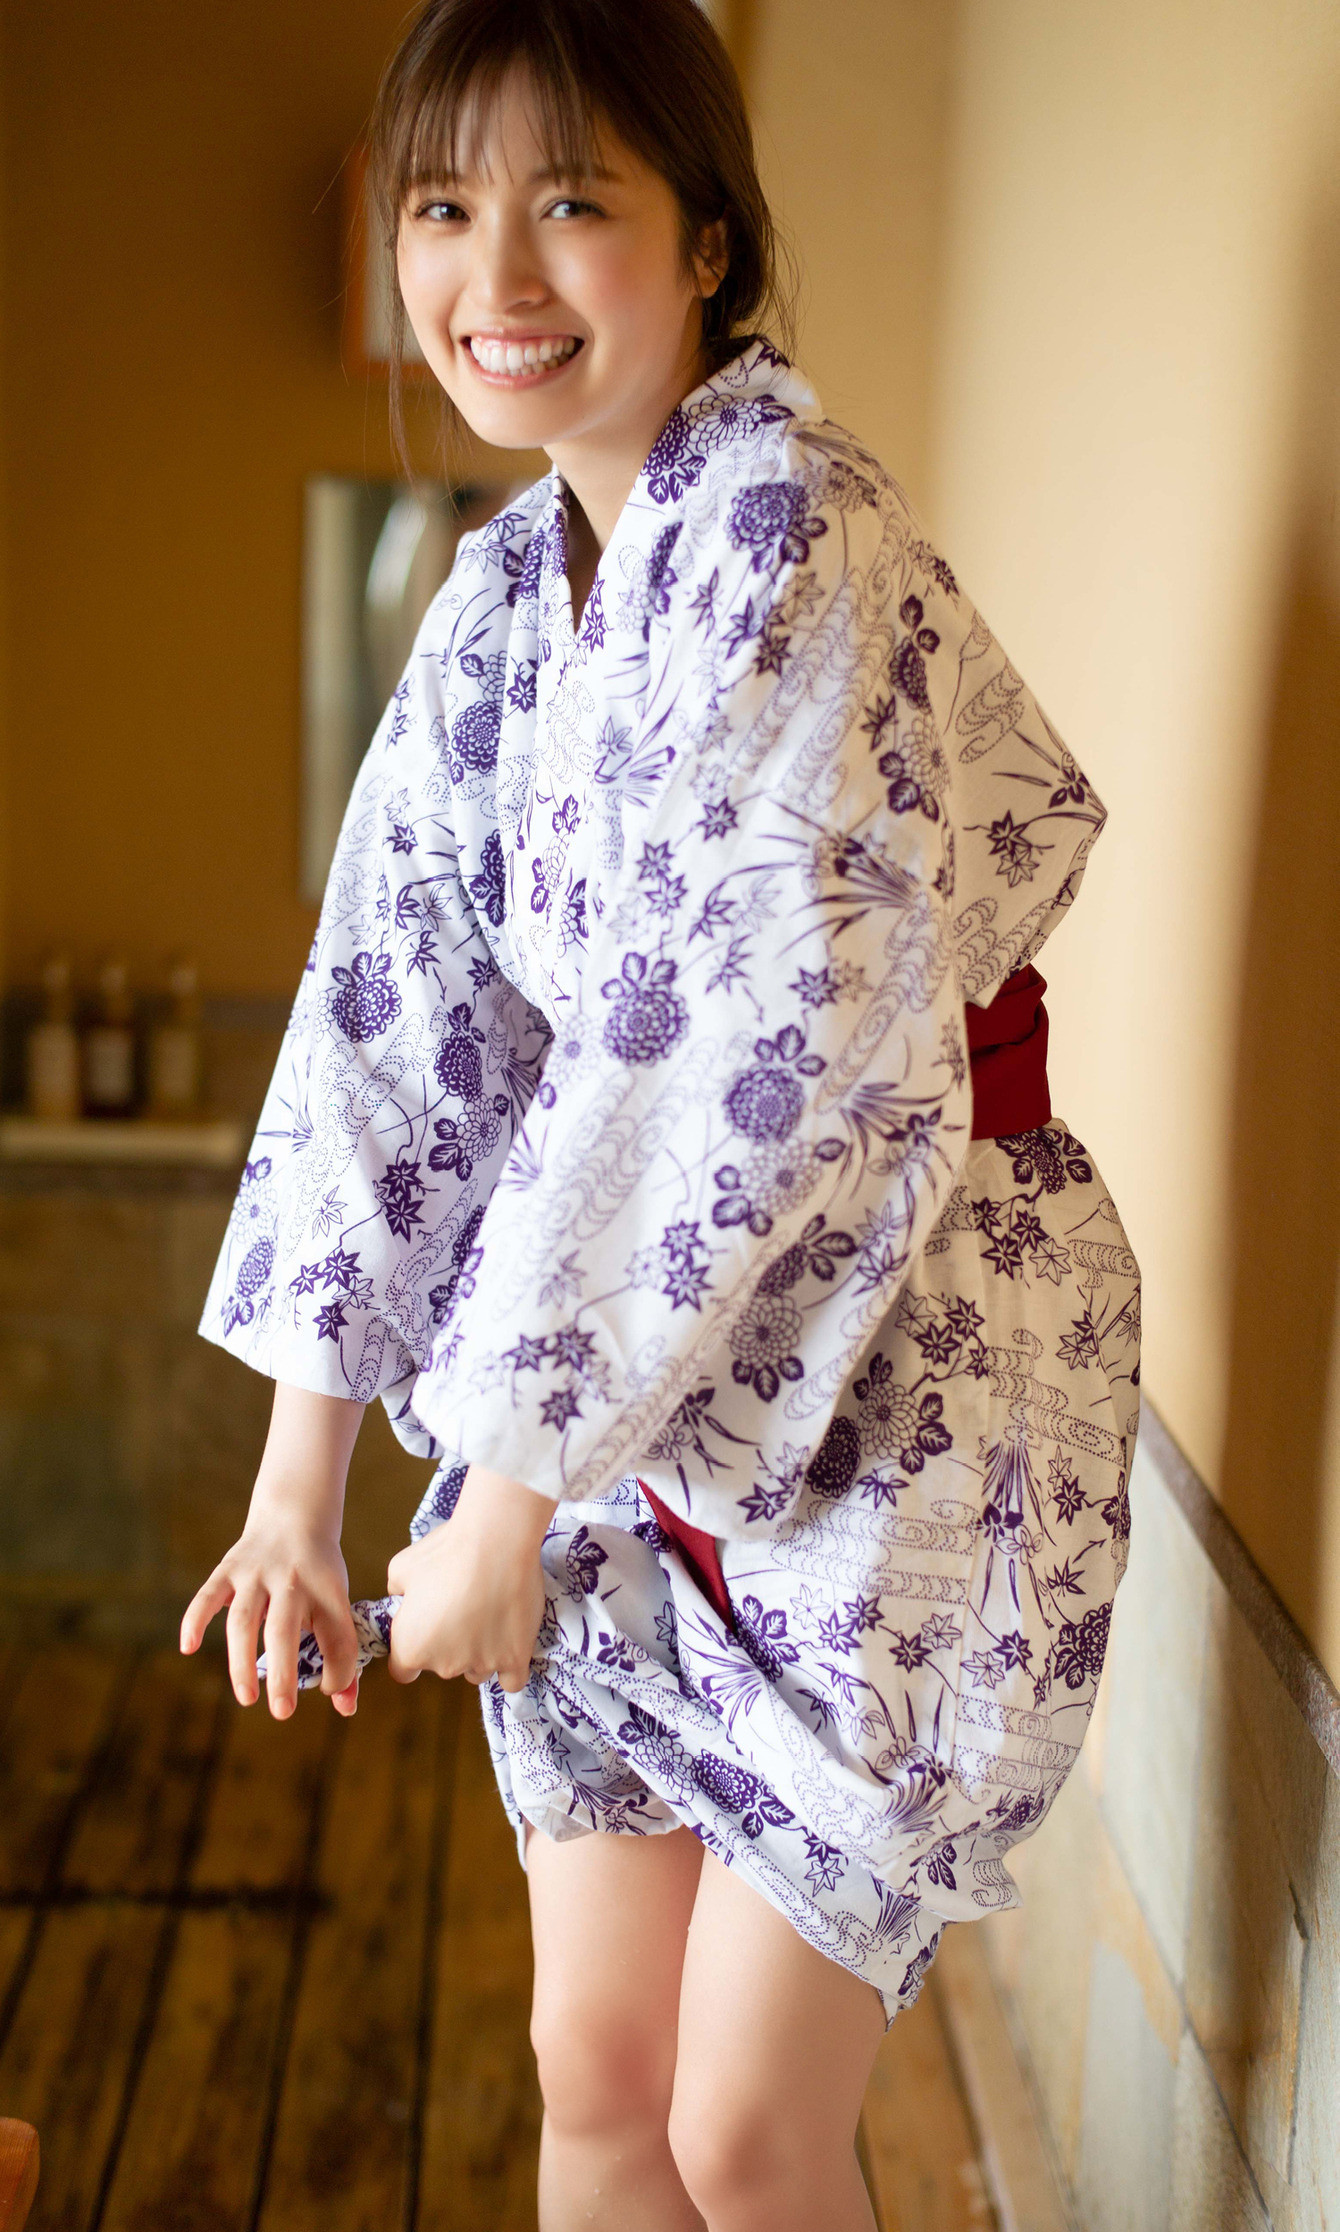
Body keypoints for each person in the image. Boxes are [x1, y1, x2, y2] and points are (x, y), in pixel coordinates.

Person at [181, 3, 1141, 2226]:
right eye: (442, 209)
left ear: (708, 241)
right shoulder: (501, 597)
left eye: (571, 205)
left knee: (742, 2124)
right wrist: (300, 1487)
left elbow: (746, 1051)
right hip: (620, 1386)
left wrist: (508, 1491)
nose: (493, 277)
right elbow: (393, 1016)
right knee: (593, 2070)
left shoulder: (795, 532)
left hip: (905, 1367)